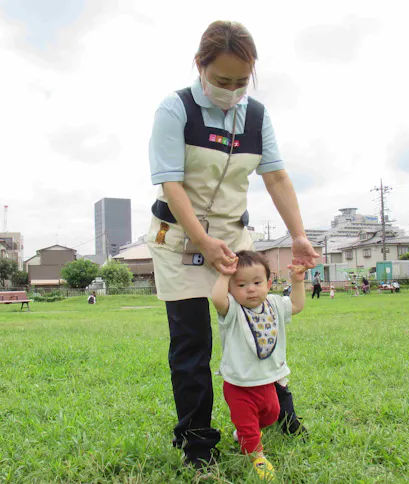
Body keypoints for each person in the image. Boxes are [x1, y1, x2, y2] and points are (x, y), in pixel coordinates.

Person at [146, 20, 319, 472]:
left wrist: (298, 234)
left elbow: (277, 176)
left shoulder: (256, 116)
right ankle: (197, 440)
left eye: (242, 82)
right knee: (192, 343)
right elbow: (170, 182)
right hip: (181, 240)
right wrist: (202, 239)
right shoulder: (175, 110)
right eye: (222, 81)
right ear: (200, 67)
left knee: (261, 326)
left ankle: (282, 416)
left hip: (235, 239)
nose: (232, 90)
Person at [212, 251, 306, 480]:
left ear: (269, 283)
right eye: (241, 284)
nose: (251, 289)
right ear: (231, 290)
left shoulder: (274, 304)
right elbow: (216, 299)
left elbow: (297, 304)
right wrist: (224, 275)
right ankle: (257, 457)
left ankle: (244, 434)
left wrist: (297, 281)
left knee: (272, 414)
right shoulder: (233, 309)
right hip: (239, 383)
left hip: (267, 380)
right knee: (247, 423)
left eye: (257, 282)